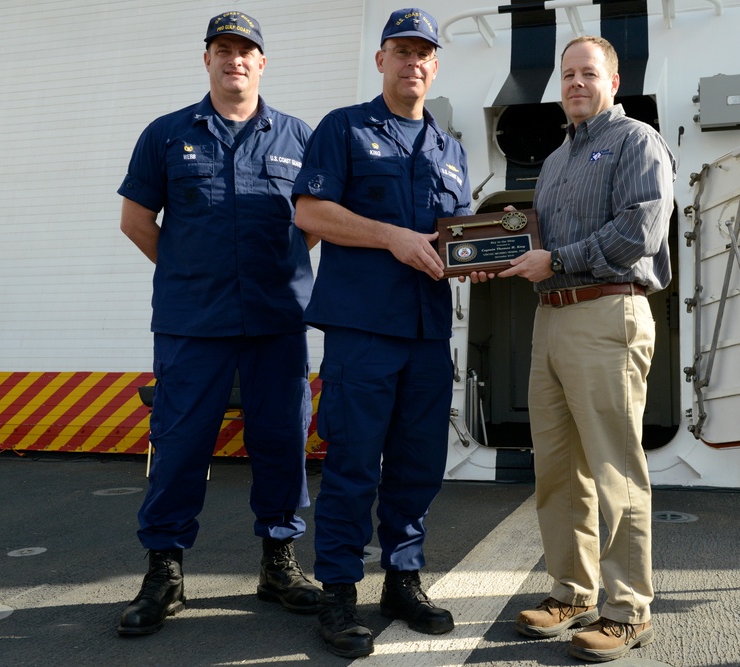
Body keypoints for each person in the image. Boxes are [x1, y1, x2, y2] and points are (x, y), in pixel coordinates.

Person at [116, 11, 322, 637]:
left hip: (275, 321)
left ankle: (278, 563)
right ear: (205, 58)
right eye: (223, 49)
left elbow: (315, 221)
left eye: (247, 51)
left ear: (263, 63)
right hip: (191, 325)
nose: (235, 59)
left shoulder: (299, 137)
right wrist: (188, 271)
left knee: (282, 443)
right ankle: (164, 571)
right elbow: (135, 221)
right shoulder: (166, 134)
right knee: (178, 446)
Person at [473, 35, 675, 662]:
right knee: (558, 468)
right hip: (553, 319)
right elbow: (529, 241)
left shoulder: (638, 142)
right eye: (567, 75)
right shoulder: (557, 160)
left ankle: (627, 609)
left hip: (608, 312)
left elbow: (641, 228)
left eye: (589, 73)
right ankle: (572, 590)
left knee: (614, 467)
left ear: (614, 81)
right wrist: (488, 257)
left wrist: (555, 259)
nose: (577, 84)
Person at [291, 7, 471, 659]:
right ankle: (339, 590)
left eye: (424, 52)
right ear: (382, 61)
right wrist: (389, 236)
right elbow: (310, 210)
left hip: (427, 333)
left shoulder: (452, 150)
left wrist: (483, 258)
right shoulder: (345, 129)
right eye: (401, 50)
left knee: (419, 465)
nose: (413, 62)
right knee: (353, 463)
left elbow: (456, 239)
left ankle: (403, 577)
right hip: (363, 329)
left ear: (435, 65)